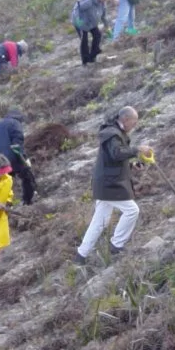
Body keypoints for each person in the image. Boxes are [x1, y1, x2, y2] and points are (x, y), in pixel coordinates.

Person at [73, 107, 155, 265]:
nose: (135, 125)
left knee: (99, 221)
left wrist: (132, 165)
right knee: (132, 211)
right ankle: (116, 245)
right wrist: (138, 150)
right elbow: (116, 154)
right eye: (134, 121)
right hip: (110, 184)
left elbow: (115, 158)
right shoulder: (112, 133)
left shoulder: (113, 133)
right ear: (125, 119)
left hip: (106, 182)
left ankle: (81, 255)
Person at [0, 110, 36, 205]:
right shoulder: (15, 123)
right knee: (27, 177)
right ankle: (27, 201)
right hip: (14, 157)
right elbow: (17, 143)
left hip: (0, 160)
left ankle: (5, 204)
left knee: (4, 182)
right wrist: (23, 158)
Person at [71, 0, 111, 66]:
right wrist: (78, 21)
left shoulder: (102, 4)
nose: (105, 1)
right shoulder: (89, 1)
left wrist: (107, 27)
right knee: (84, 40)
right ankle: (85, 61)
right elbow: (77, 8)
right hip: (81, 22)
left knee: (97, 35)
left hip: (91, 23)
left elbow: (103, 16)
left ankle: (93, 56)